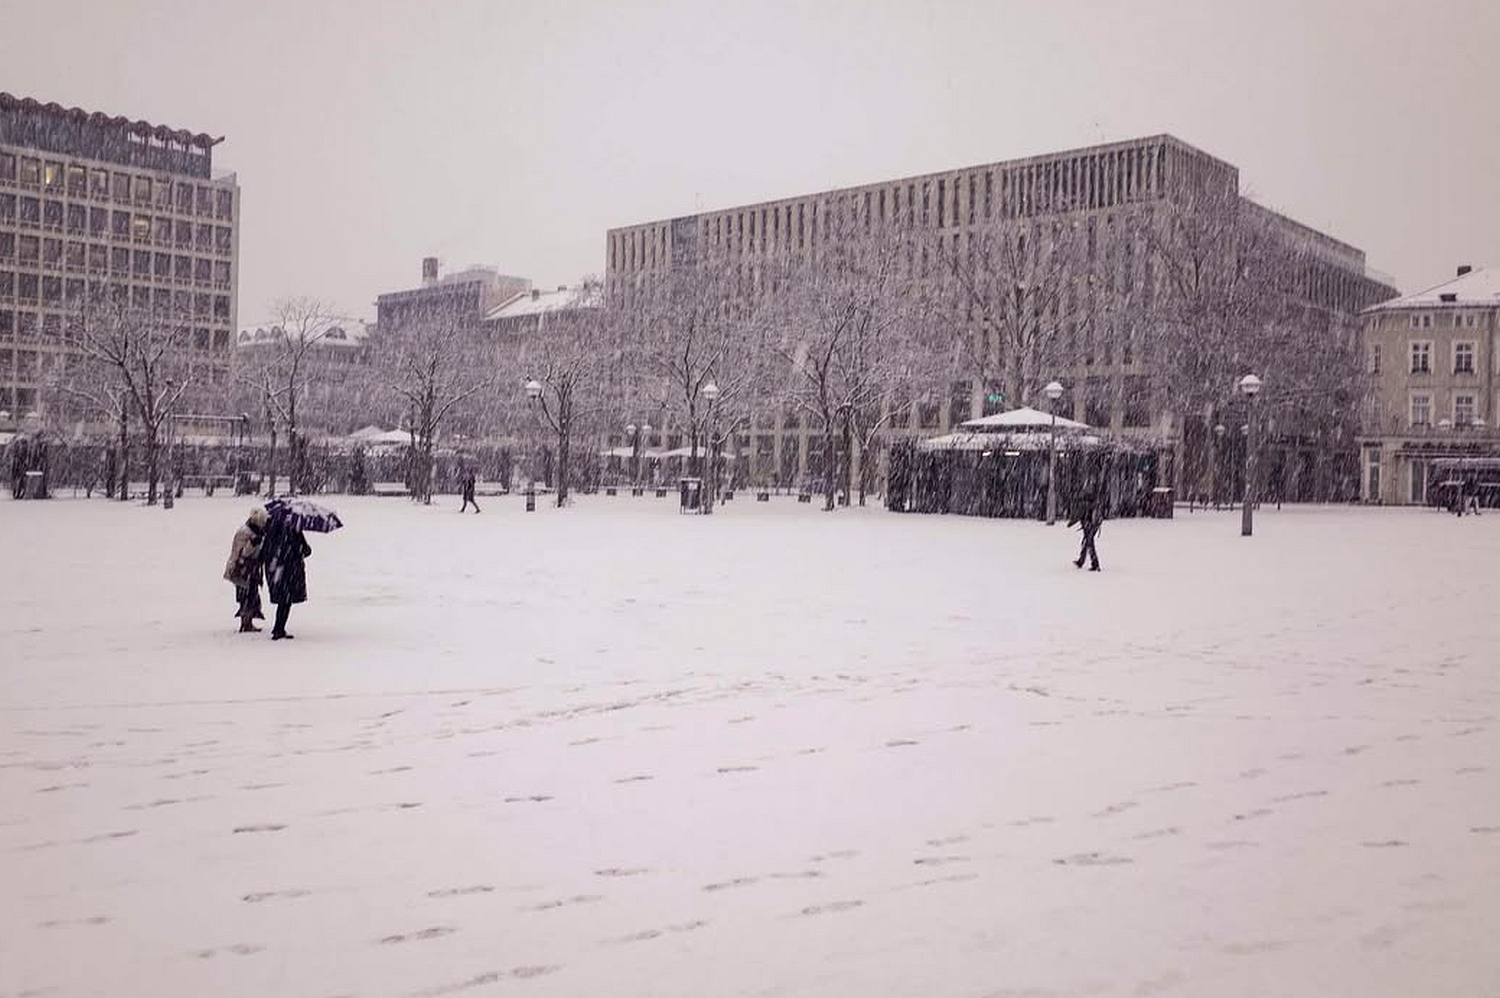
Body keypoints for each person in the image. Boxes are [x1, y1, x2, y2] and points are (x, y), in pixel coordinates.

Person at [261, 515, 312, 640]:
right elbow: (305, 549)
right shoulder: (294, 529)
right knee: (286, 601)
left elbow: (264, 551)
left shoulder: (270, 530)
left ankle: (279, 627)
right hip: (290, 570)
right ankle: (279, 628)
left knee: (282, 599)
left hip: (274, 569)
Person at [223, 506, 268, 632]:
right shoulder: (245, 532)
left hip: (249, 568)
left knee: (251, 594)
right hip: (242, 569)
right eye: (263, 521)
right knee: (246, 595)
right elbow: (242, 552)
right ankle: (246, 623)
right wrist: (253, 543)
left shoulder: (254, 532)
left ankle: (248, 621)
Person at [1067, 494, 1105, 572]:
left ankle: (1095, 563)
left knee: (1089, 543)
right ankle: (1081, 561)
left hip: (1088, 526)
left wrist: (1071, 523)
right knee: (1086, 543)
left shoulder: (1084, 505)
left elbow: (1078, 515)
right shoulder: (1095, 505)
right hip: (1094, 526)